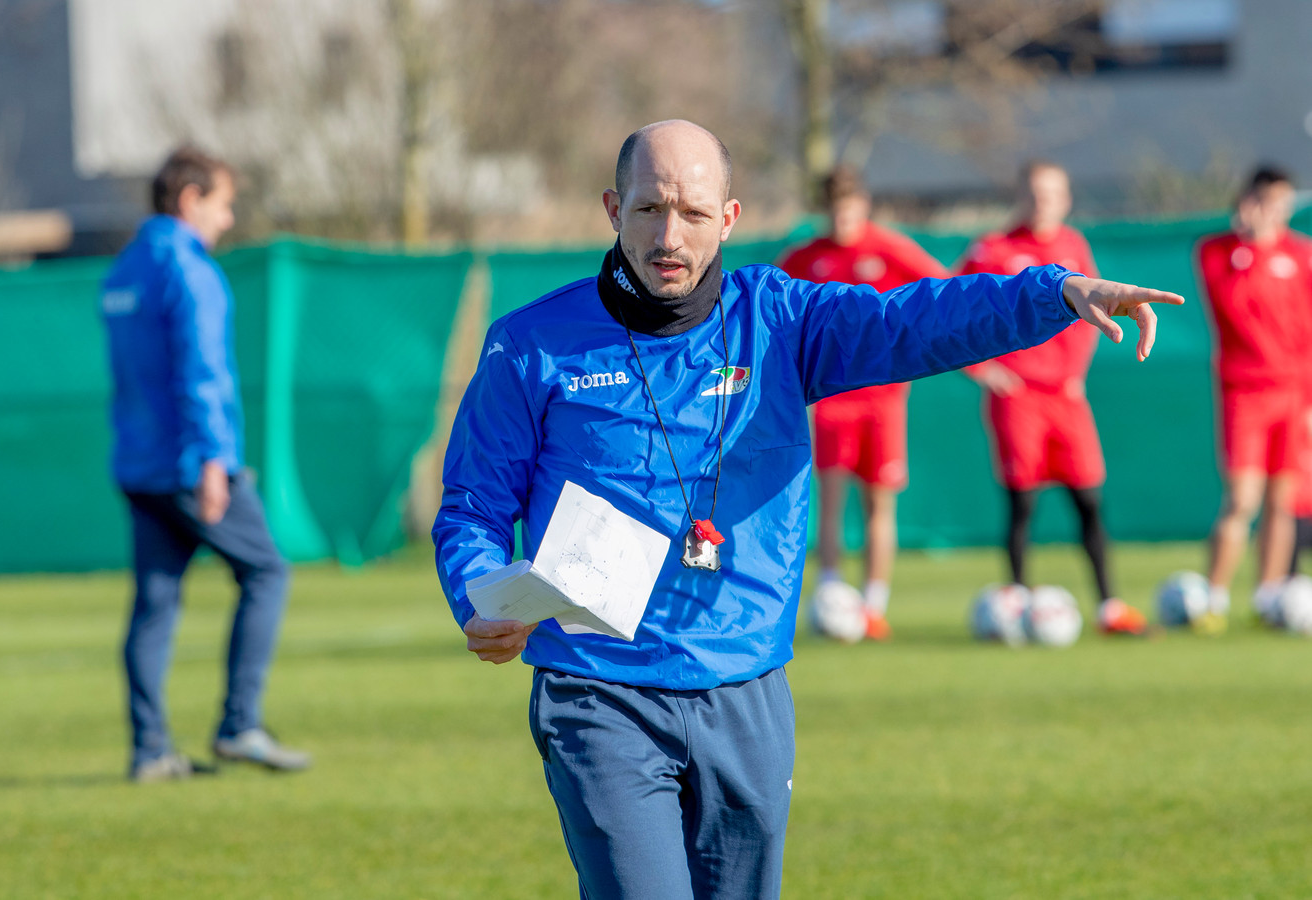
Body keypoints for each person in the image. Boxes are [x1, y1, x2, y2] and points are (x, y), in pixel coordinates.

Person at [433, 120, 1179, 899]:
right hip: (598, 690)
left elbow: (913, 321)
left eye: (691, 213)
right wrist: (480, 592)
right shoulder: (529, 344)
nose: (667, 235)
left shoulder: (781, 321)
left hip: (745, 687)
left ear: (726, 218)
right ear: (612, 209)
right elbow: (473, 506)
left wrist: (1051, 292)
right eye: (649, 209)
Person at [101, 146, 310, 782]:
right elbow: (201, 374)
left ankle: (150, 751)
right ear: (190, 200)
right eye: (223, 205)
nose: (227, 220)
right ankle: (239, 724)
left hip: (139, 466)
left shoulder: (123, 271)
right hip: (192, 465)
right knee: (268, 571)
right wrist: (214, 461)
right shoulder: (190, 271)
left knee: (155, 605)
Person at [958, 160, 1148, 636]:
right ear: (1020, 194)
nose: (1043, 200)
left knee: (1088, 499)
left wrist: (1076, 371)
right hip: (1018, 397)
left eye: (1052, 192)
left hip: (1066, 397)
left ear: (1065, 199)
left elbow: (1098, 306)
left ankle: (1110, 607)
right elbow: (949, 306)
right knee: (1023, 503)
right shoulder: (993, 249)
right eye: (1034, 191)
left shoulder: (1072, 245)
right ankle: (1017, 605)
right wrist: (981, 370)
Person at [779, 165, 949, 639]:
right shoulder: (804, 257)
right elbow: (772, 312)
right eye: (834, 209)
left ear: (864, 205)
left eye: (850, 208)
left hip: (885, 399)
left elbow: (941, 290)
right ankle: (831, 596)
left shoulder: (889, 247)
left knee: (880, 503)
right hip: (832, 400)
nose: (843, 218)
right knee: (829, 500)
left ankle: (873, 606)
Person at [1196, 165, 1312, 625]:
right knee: (1242, 500)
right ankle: (1214, 599)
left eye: (1284, 203)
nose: (1276, 212)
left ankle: (1268, 598)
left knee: (1283, 502)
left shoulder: (1301, 254)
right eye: (1268, 201)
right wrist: (1249, 245)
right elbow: (1228, 306)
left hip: (1295, 394)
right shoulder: (1219, 253)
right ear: (1248, 201)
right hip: (1245, 392)